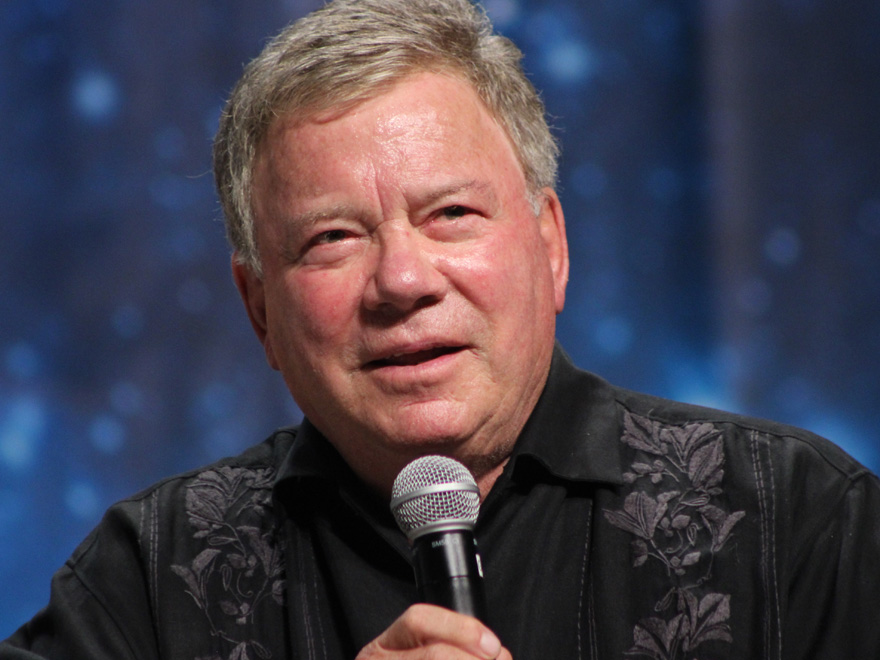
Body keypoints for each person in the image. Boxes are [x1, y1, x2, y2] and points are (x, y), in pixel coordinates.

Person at [3, 0, 880, 657]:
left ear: (551, 245)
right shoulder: (148, 583)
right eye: (332, 237)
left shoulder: (799, 527)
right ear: (259, 308)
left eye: (452, 213)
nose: (403, 281)